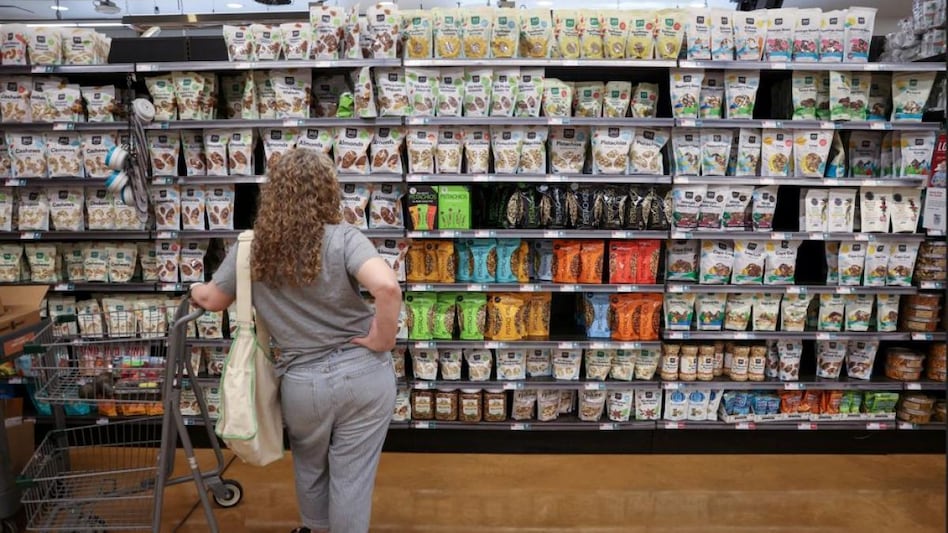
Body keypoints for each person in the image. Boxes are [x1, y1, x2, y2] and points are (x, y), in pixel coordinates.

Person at [190, 148, 400, 533]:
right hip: (363, 374)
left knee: (310, 466)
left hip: (303, 382)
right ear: (328, 191)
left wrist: (194, 288)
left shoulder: (252, 247)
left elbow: (213, 300)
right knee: (352, 477)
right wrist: (381, 341)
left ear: (274, 195)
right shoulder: (344, 238)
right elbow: (386, 287)